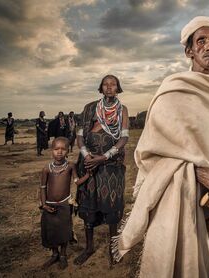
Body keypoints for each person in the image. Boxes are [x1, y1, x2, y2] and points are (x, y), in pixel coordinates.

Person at [112, 16, 209, 277]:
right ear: (189, 51)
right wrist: (198, 173)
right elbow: (150, 154)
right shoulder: (172, 92)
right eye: (201, 40)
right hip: (184, 199)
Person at [74, 74, 129, 265]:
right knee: (88, 206)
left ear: (118, 88)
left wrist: (104, 157)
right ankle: (89, 248)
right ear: (101, 88)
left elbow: (123, 139)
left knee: (112, 207)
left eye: (113, 84)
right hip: (88, 164)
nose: (109, 87)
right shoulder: (90, 108)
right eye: (105, 84)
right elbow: (80, 135)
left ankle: (113, 249)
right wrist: (86, 155)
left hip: (110, 166)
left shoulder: (122, 110)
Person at [39, 137, 89, 269]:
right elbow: (43, 187)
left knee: (64, 231)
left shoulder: (70, 166)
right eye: (56, 149)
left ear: (68, 151)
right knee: (51, 231)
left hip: (64, 204)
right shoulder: (47, 169)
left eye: (63, 149)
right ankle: (54, 254)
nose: (59, 152)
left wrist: (88, 175)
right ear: (52, 151)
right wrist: (44, 205)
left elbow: (77, 182)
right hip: (49, 204)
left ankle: (62, 255)